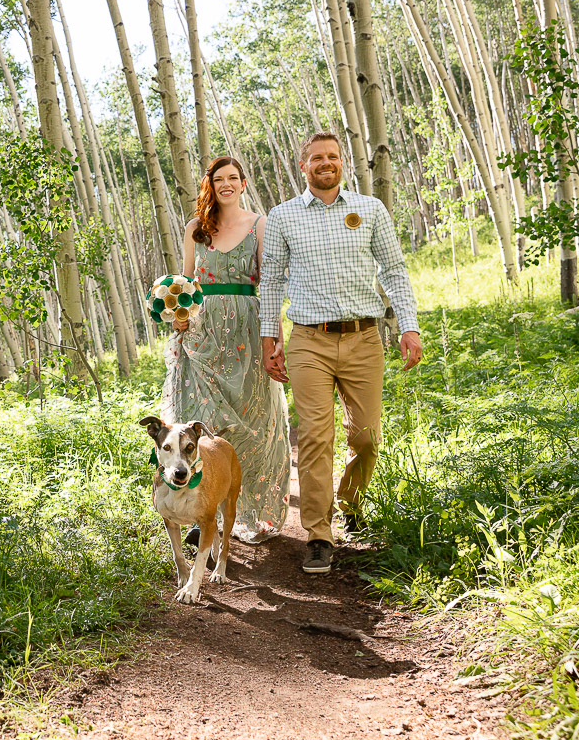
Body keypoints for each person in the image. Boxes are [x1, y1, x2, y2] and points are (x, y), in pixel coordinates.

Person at [259, 131, 423, 575]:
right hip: (308, 341)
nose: (325, 163)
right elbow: (271, 280)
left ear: (343, 163)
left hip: (364, 340)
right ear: (303, 166)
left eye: (332, 156)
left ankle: (351, 504)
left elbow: (393, 269)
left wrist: (408, 326)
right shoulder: (283, 216)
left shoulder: (370, 209)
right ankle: (317, 533)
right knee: (315, 435)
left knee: (366, 437)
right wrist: (268, 339)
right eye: (316, 158)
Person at [162, 156, 291, 544]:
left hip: (247, 333)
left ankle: (246, 508)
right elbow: (184, 283)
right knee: (202, 424)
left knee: (251, 425)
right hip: (202, 336)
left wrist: (275, 335)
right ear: (211, 185)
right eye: (220, 179)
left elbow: (269, 283)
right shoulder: (195, 230)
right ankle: (202, 513)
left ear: (244, 182)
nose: (227, 184)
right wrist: (178, 318)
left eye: (234, 178)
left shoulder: (260, 225)